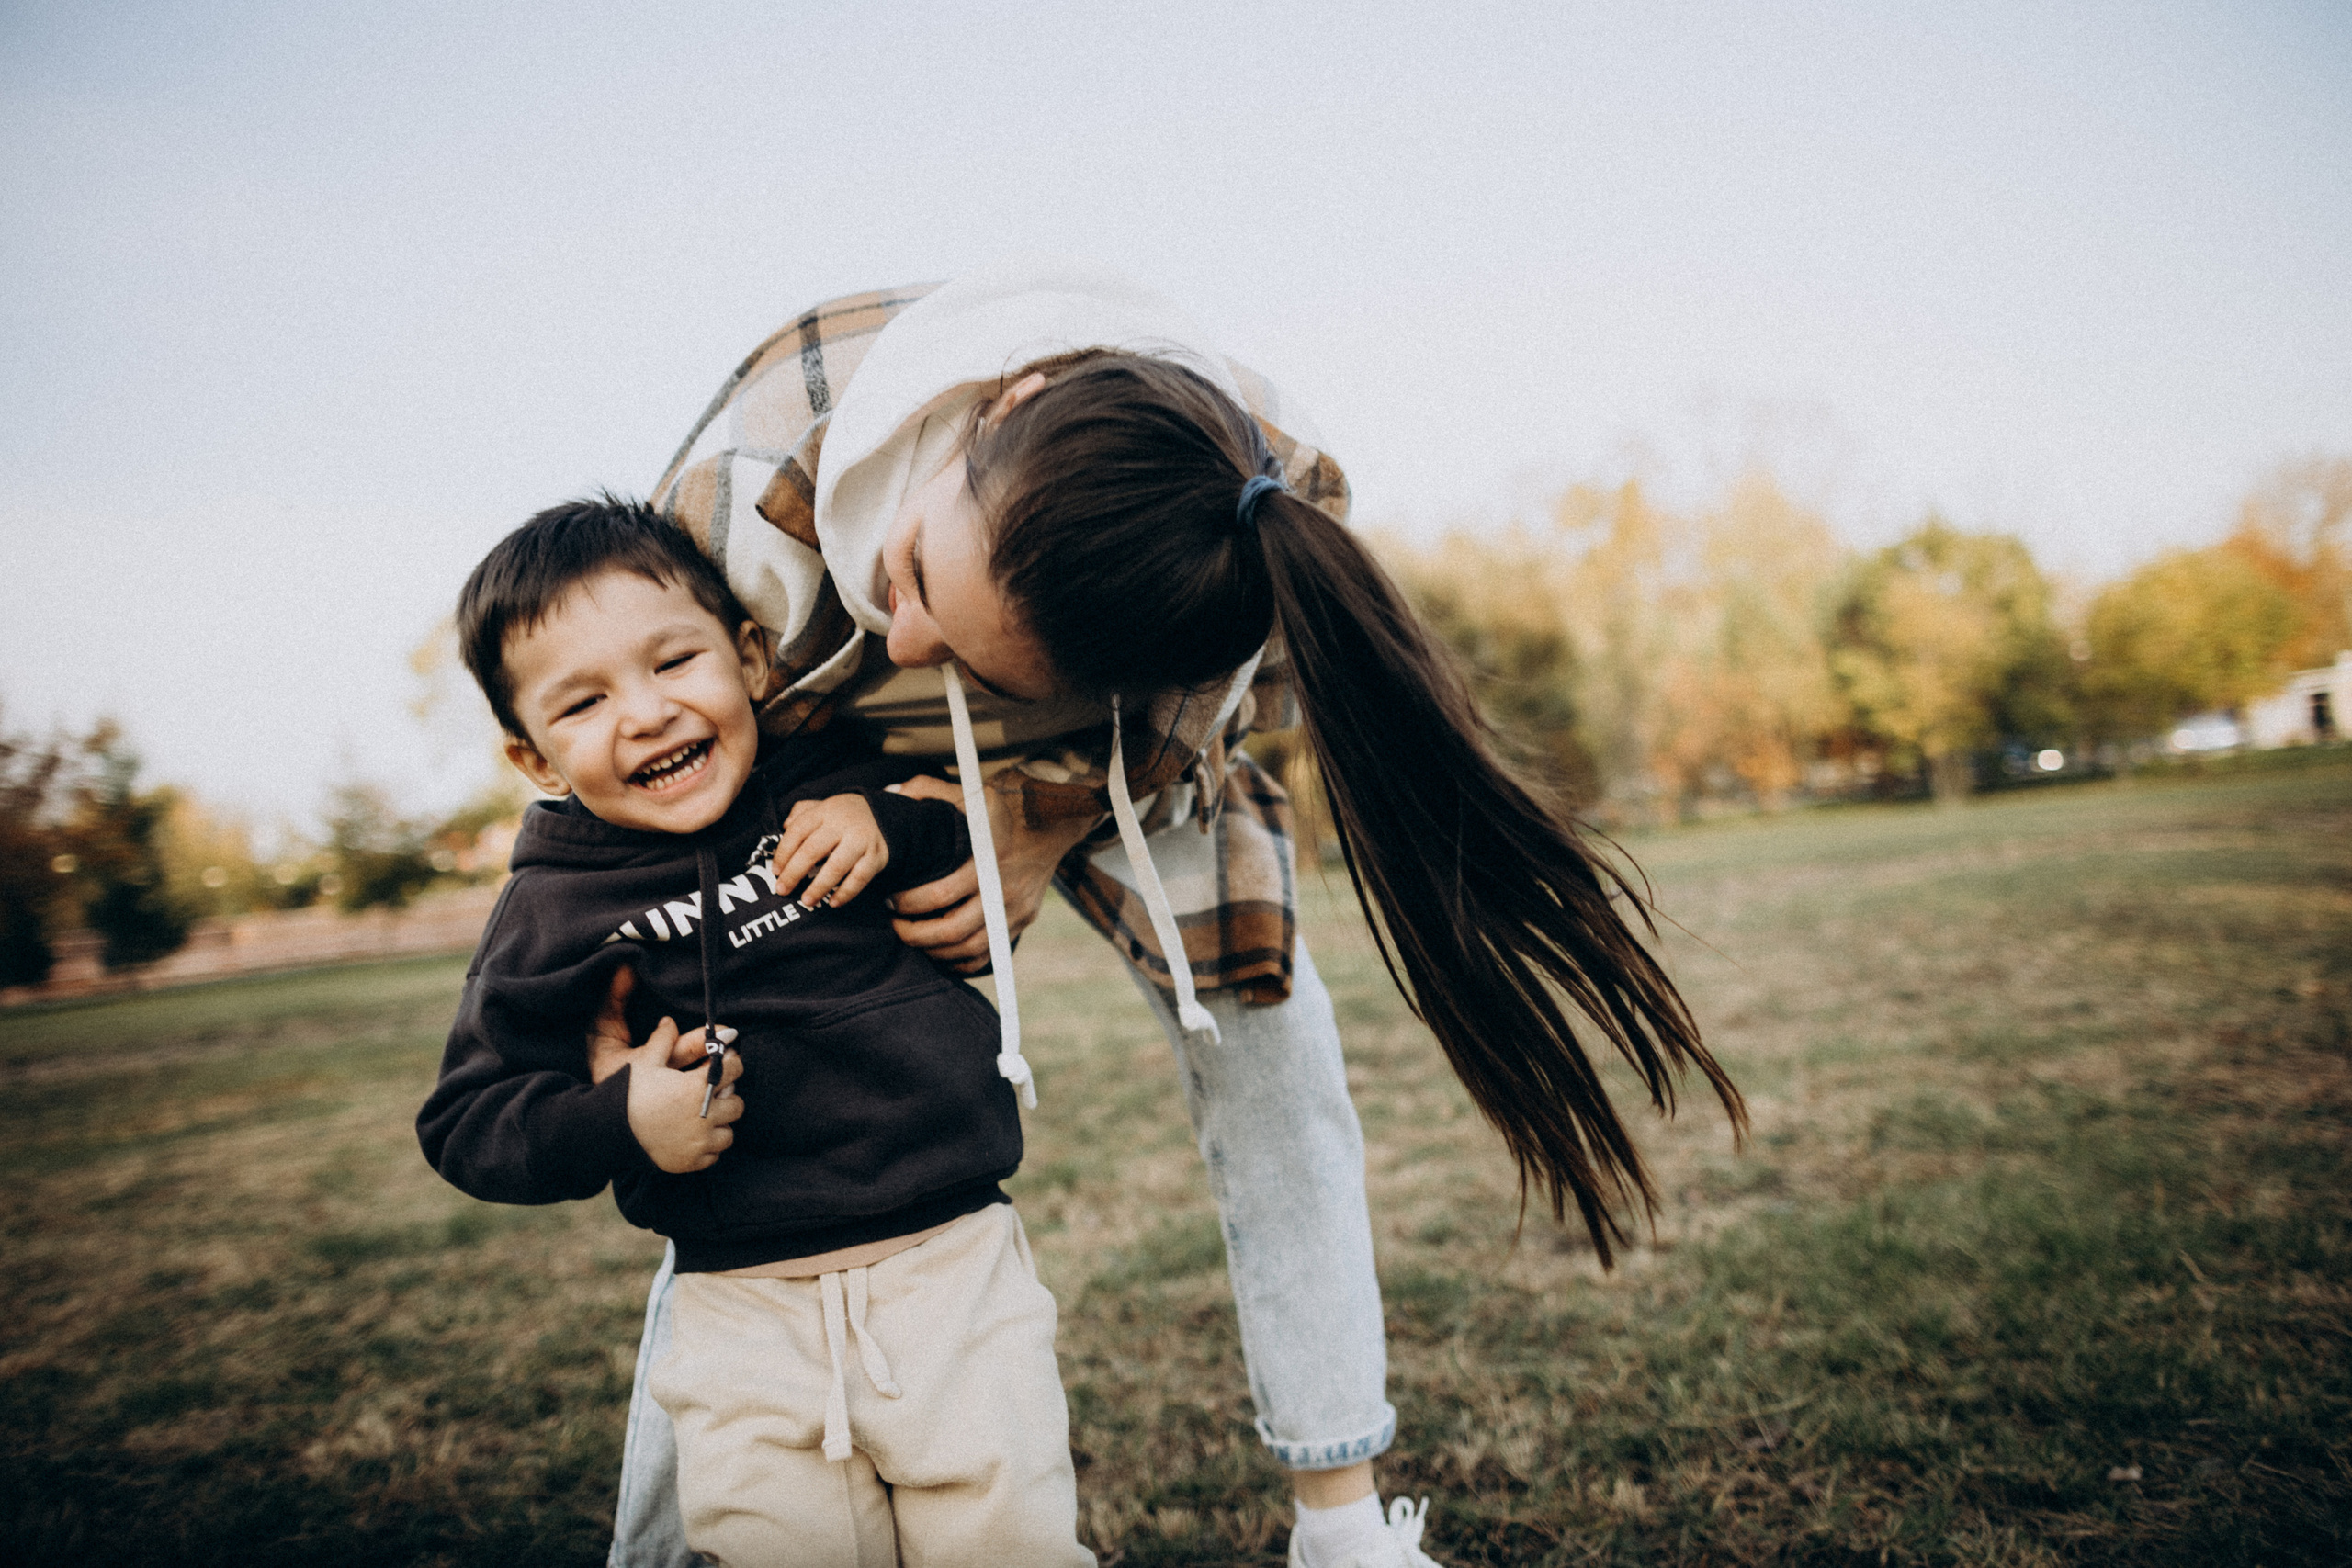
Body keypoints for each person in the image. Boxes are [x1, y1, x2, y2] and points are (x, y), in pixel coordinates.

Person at [608, 260, 1747, 1568]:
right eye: (918, 568)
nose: (913, 631)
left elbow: (1235, 706)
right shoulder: (747, 482)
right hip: (828, 754)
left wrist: (1039, 826)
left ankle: (1344, 1525)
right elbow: (664, 715)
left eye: (968, 644)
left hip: (1114, 758)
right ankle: (653, 1547)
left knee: (1278, 1055)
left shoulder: (1258, 511)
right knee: (743, 1107)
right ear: (1003, 401)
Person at [417, 498, 1094, 1568]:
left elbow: (967, 827)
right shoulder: (553, 914)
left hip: (951, 1271)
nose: (643, 714)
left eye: (672, 663)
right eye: (584, 702)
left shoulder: (833, 779)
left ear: (750, 660)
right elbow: (466, 1123)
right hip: (738, 1314)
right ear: (536, 761)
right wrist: (621, 1117)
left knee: (1003, 1540)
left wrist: (893, 821)